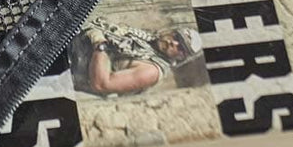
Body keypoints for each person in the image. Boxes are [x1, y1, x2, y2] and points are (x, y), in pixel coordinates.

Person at [70, 17, 202, 97]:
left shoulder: (152, 71)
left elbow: (101, 84)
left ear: (181, 57)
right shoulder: (147, 39)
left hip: (72, 69)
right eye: (176, 37)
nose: (173, 43)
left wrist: (99, 44)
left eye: (180, 48)